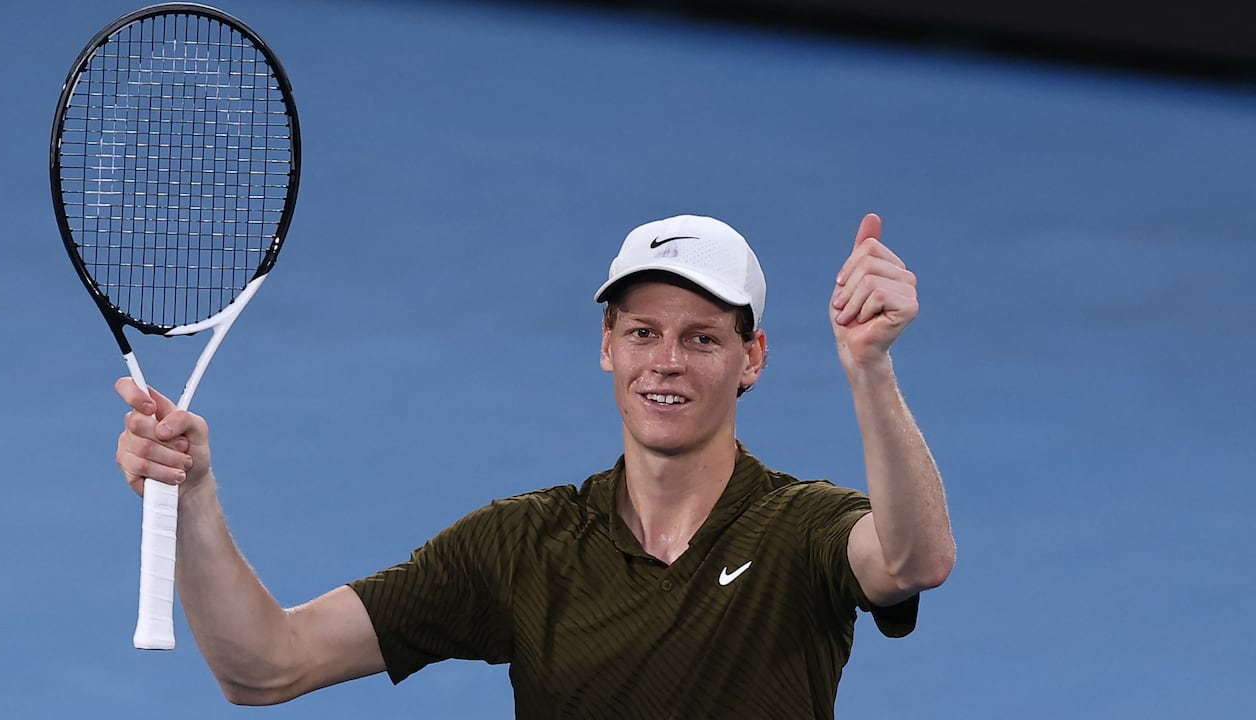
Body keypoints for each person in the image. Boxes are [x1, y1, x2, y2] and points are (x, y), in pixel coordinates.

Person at [115, 212, 954, 719]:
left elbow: (915, 560)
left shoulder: (803, 530)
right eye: (642, 332)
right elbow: (266, 665)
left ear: (752, 358)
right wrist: (193, 497)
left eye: (702, 338)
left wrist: (869, 367)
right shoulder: (523, 546)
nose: (666, 361)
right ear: (608, 346)